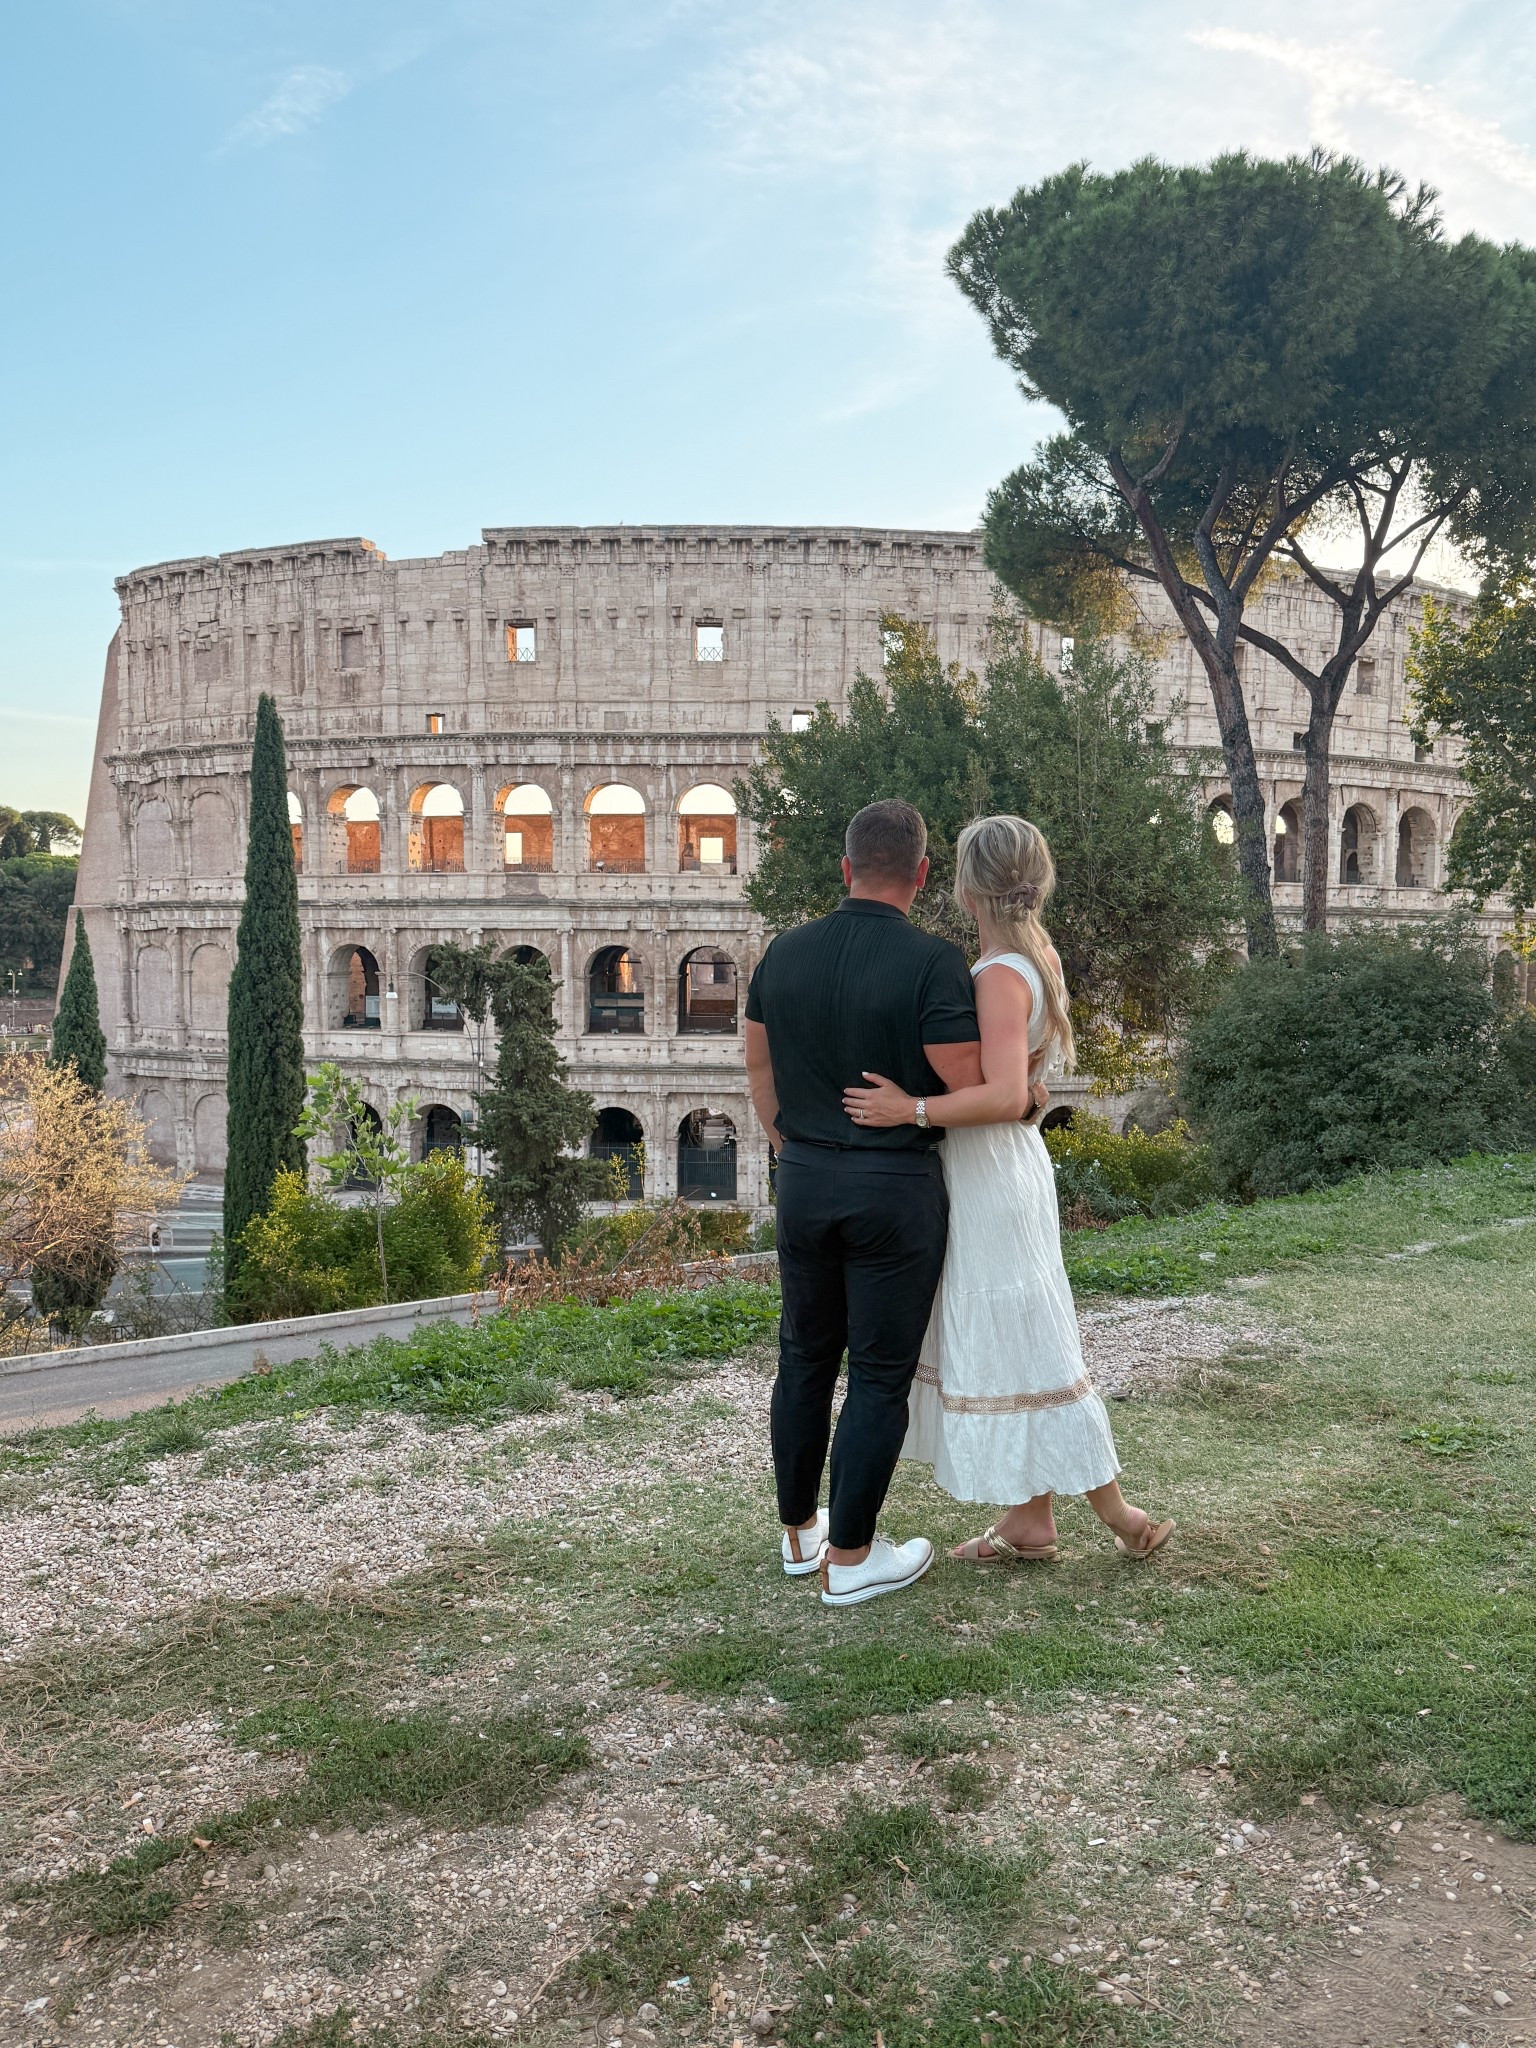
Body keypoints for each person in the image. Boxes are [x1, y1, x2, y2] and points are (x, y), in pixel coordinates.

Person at [843, 814, 1174, 1564]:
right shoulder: (1034, 957)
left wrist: (910, 1108)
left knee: (1025, 1336)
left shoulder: (996, 975)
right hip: (1008, 1163)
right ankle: (1030, 1519)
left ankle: (1123, 1514)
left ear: (965, 887)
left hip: (992, 1165)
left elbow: (998, 1094)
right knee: (1022, 1329)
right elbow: (1024, 1082)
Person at [744, 799, 983, 1606]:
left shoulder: (782, 953)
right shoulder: (933, 962)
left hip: (804, 1179)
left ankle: (798, 1536)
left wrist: (795, 1147)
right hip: (894, 1188)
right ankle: (850, 1560)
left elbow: (759, 1075)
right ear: (921, 874)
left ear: (844, 869)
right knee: (879, 1376)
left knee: (803, 1358)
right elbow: (969, 1086)